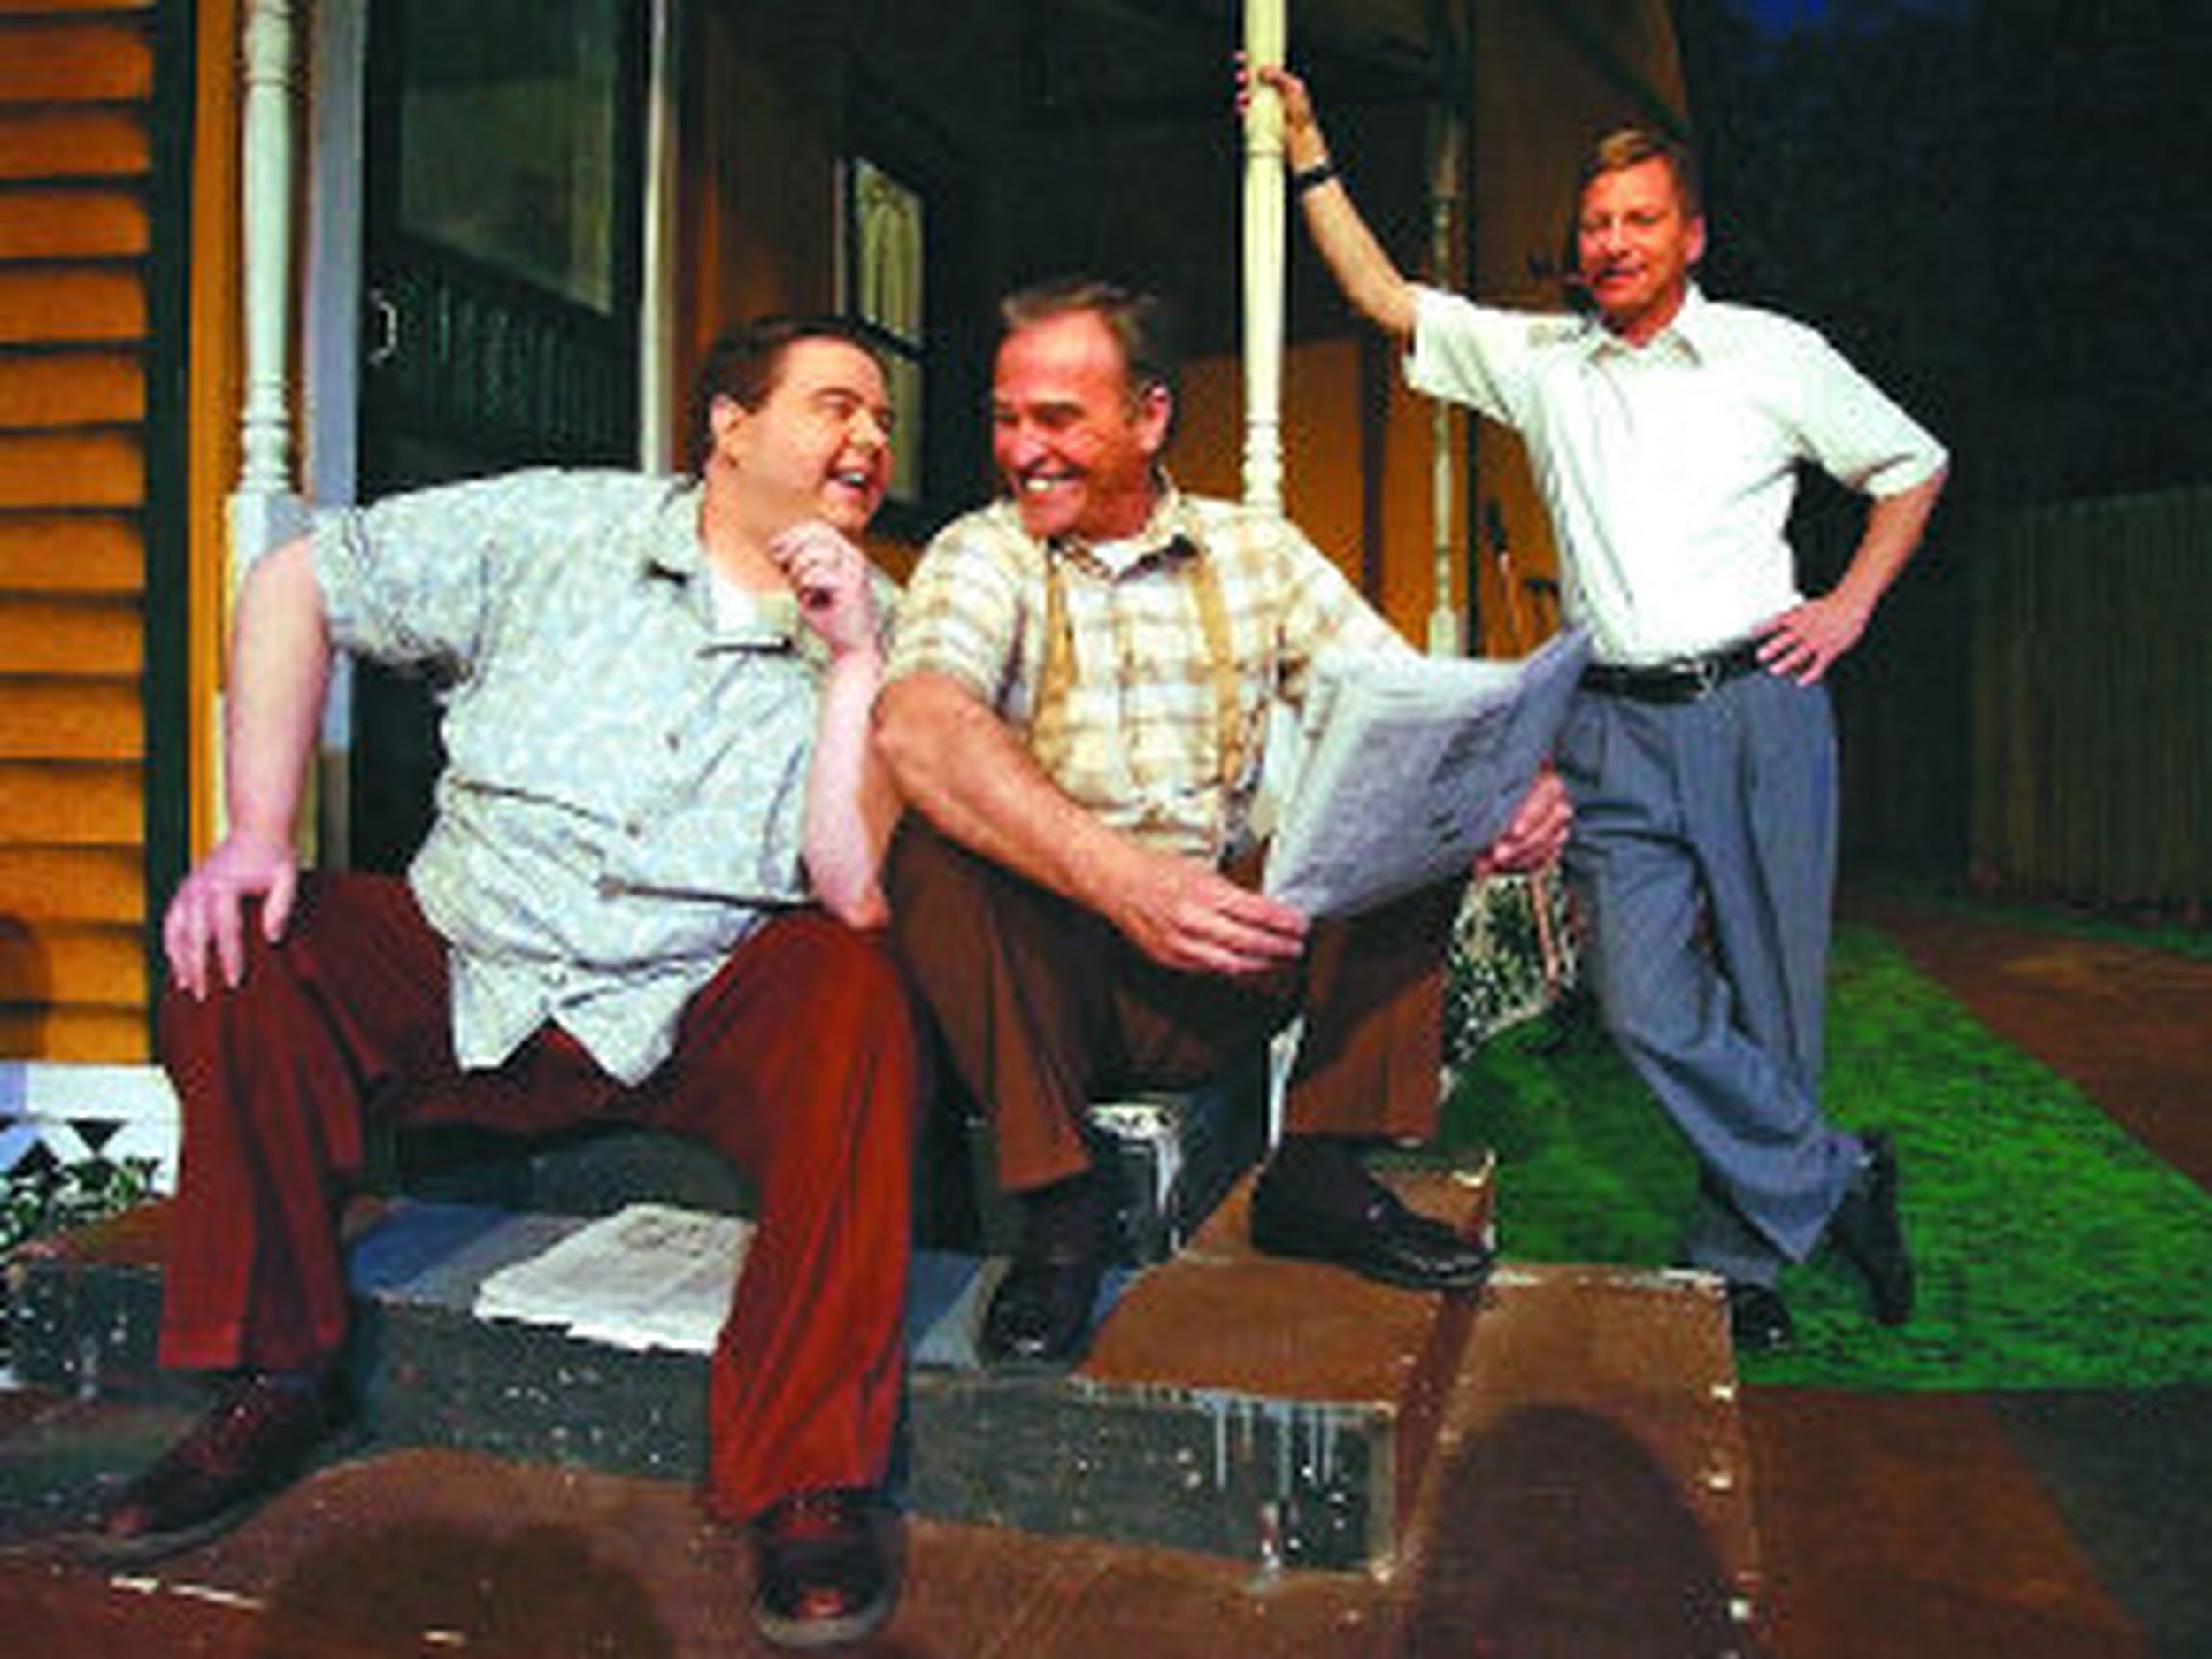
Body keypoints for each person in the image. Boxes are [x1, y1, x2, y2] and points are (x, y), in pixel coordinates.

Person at [89, 317, 919, 1648]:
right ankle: (276, 1380)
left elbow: (850, 883)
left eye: (882, 418)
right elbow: (300, 578)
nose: (871, 438)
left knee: (851, 988)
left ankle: (807, 1473)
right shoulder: (555, 527)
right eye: (837, 405)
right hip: (472, 956)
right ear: (730, 425)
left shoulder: (890, 630)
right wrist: (256, 831)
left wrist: (855, 662)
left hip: (694, 994)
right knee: (245, 944)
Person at [1252, 64, 1947, 1351]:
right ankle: (1838, 1174)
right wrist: (1306, 146)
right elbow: (1383, 298)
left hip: (1756, 706)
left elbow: (1912, 464)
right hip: (1610, 728)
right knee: (1639, 1004)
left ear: (1692, 236)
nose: (1614, 242)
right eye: (1596, 224)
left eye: (1641, 219)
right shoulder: (1545, 364)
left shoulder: (1771, 355)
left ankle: (1742, 1262)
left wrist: (1848, 606)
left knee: (1772, 1004)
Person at [874, 276, 1571, 1369]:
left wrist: (1511, 789)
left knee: (1409, 806)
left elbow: (1408, 707)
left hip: (1221, 968)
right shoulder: (982, 551)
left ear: (1149, 416)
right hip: (1047, 988)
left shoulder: (1256, 552)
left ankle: (1321, 1165)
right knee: (932, 848)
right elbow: (918, 725)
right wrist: (1127, 884)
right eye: (1005, 419)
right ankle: (1056, 1211)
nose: (1022, 451)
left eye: (1056, 419)